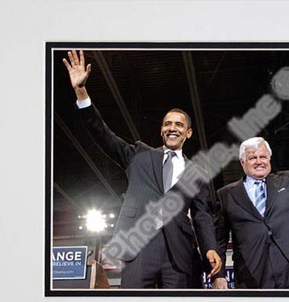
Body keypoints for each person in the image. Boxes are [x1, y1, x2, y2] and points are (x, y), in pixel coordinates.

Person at [62, 50, 221, 288]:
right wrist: (81, 92)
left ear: (188, 133)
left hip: (180, 252)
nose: (172, 128)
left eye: (179, 124)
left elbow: (202, 215)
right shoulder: (139, 154)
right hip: (138, 246)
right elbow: (102, 134)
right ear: (161, 130)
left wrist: (210, 248)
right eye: (167, 123)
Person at [212, 125, 289, 289]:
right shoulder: (226, 194)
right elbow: (219, 241)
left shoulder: (288, 180)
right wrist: (219, 275)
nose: (259, 161)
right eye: (253, 158)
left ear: (269, 159)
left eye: (263, 157)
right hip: (253, 273)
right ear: (242, 162)